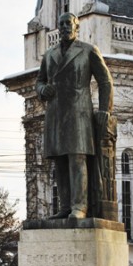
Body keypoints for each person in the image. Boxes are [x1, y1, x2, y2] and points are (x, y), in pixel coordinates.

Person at [36, 12, 114, 220]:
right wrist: (43, 90)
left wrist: (105, 110)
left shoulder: (88, 51)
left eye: (68, 23)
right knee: (59, 160)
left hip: (79, 112)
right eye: (60, 24)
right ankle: (65, 206)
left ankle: (80, 206)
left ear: (76, 26)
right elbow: (39, 81)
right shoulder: (50, 54)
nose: (64, 27)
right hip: (55, 113)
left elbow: (105, 81)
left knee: (77, 158)